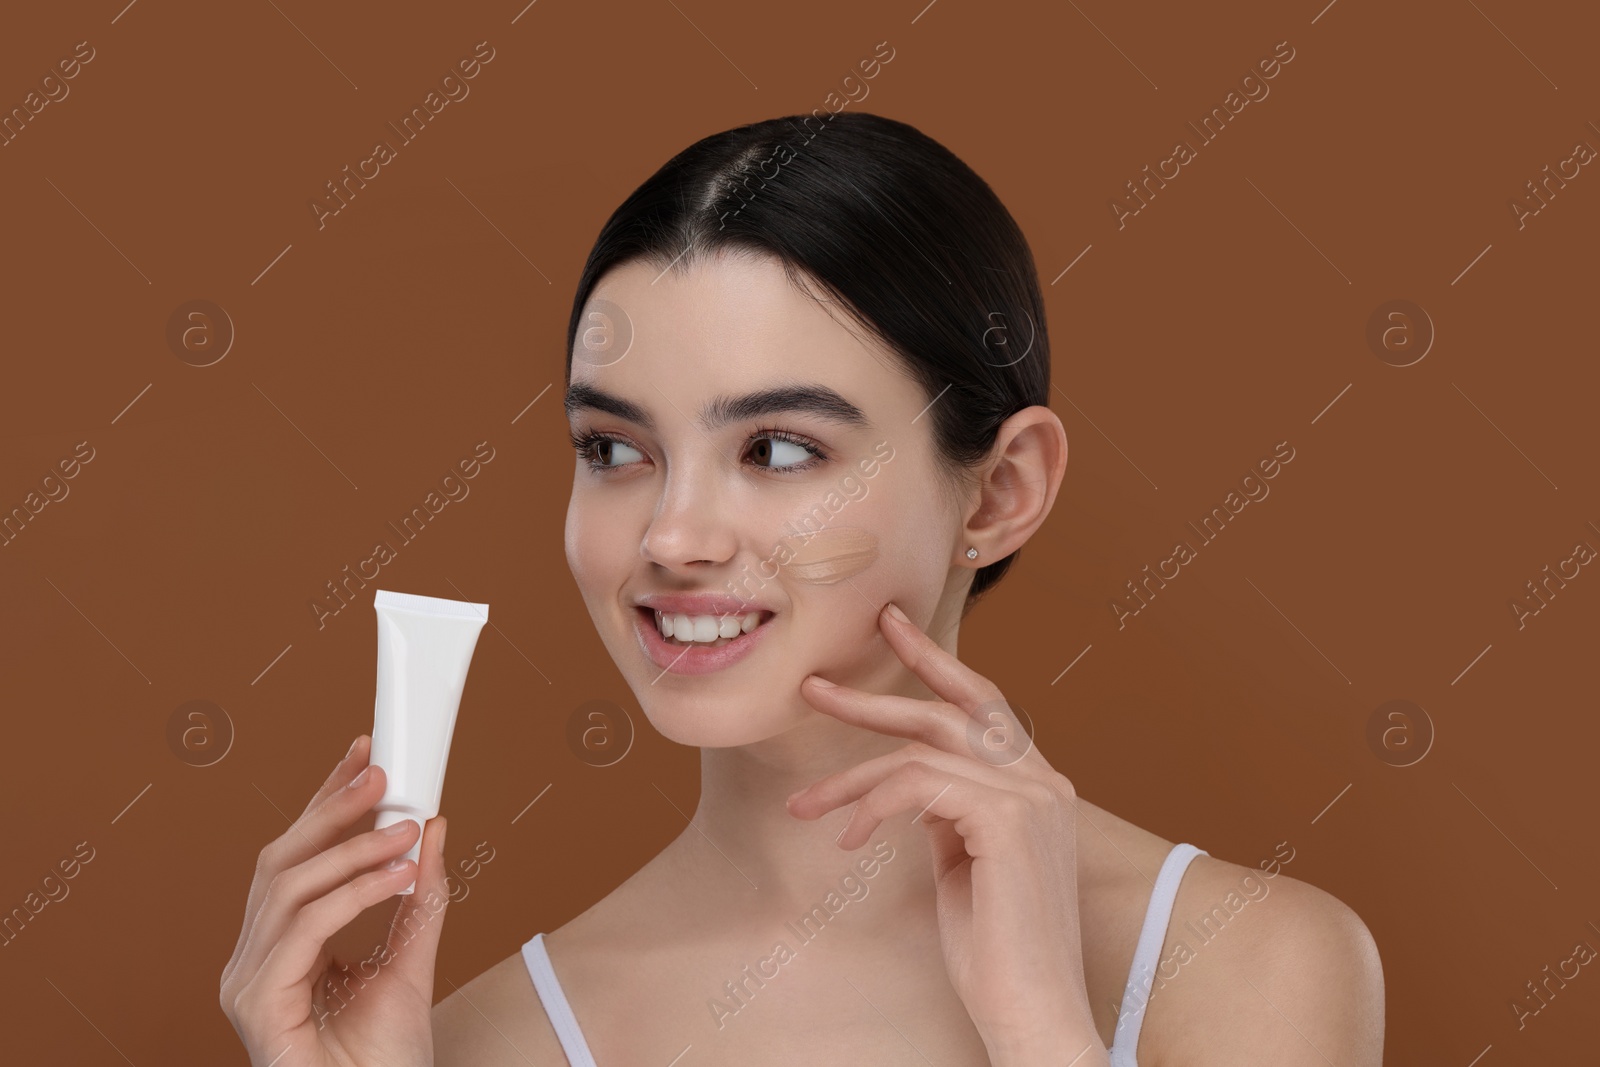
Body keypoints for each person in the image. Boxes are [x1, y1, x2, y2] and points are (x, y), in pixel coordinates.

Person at [221, 111, 1385, 1066]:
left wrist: (1039, 1030)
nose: (671, 536)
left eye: (778, 449)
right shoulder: (476, 1043)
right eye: (613, 449)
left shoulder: (1246, 965)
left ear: (998, 491)